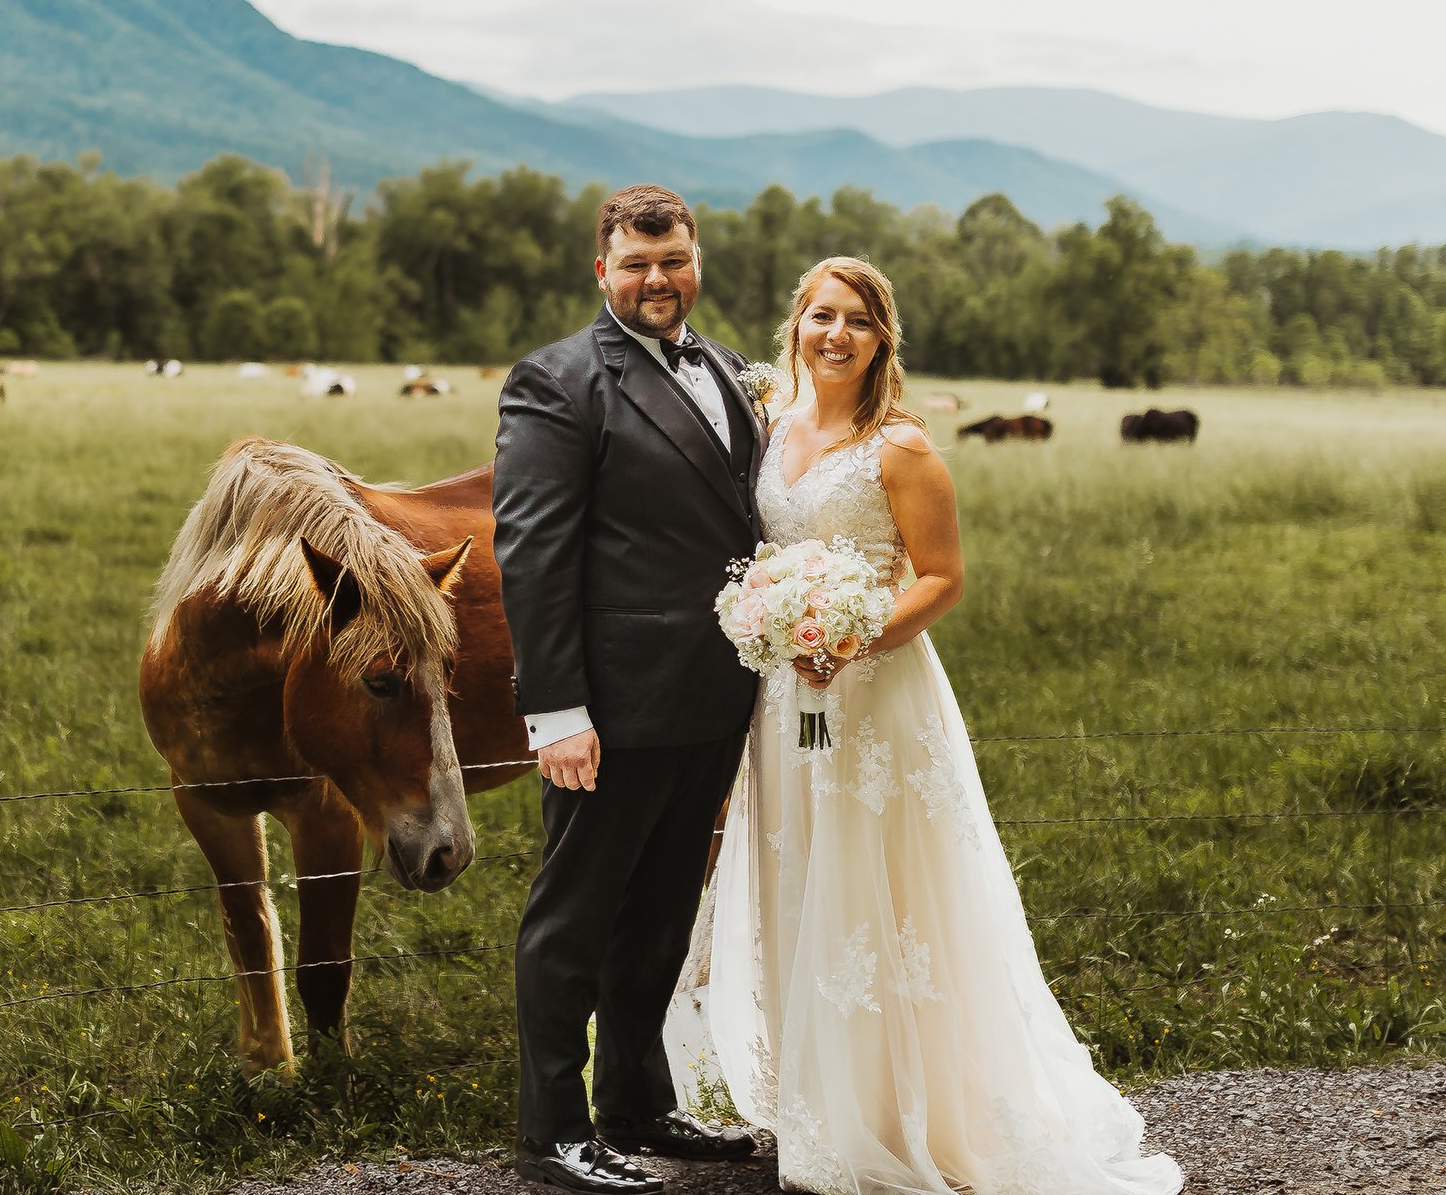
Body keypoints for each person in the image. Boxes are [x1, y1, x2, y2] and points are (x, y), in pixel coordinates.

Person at [664, 257, 1181, 1195]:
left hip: (877, 699)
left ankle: (912, 1111)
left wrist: (856, 640)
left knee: (881, 889)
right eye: (821, 315)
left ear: (881, 340)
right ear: (796, 325)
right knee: (800, 876)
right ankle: (825, 1103)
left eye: (857, 321)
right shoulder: (770, 427)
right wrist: (777, 627)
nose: (836, 334)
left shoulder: (900, 446)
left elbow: (941, 577)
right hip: (785, 701)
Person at [494, 185, 767, 1193]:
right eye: (638, 263)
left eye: (676, 259)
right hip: (607, 708)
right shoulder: (556, 381)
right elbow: (531, 551)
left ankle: (639, 1101)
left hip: (713, 694)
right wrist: (557, 710)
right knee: (575, 917)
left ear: (695, 260)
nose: (659, 279)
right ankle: (551, 1131)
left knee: (659, 913)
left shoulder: (734, 369)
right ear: (600, 269)